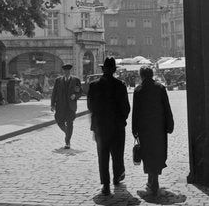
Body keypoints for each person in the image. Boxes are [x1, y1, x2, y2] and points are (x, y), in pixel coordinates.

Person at [87, 57, 131, 196]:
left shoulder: (94, 85)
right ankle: (117, 176)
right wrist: (121, 119)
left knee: (103, 155)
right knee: (117, 154)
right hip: (117, 126)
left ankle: (105, 185)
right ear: (114, 70)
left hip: (100, 127)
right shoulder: (120, 85)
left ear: (103, 69)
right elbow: (126, 107)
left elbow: (90, 106)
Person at [132, 66, 174, 195]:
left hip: (145, 129)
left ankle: (151, 180)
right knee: (158, 151)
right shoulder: (160, 88)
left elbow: (136, 112)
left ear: (141, 76)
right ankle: (154, 179)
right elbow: (166, 107)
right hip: (159, 127)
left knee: (147, 152)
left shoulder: (138, 90)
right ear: (152, 74)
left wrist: (134, 128)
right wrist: (170, 124)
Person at [51, 63, 82, 149]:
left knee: (70, 123)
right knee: (58, 120)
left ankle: (67, 142)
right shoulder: (58, 80)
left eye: (68, 71)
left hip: (70, 107)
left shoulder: (76, 80)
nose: (67, 72)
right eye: (65, 71)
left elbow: (80, 92)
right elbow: (54, 93)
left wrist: (75, 96)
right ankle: (67, 132)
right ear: (63, 71)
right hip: (60, 106)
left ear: (70, 71)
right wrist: (52, 104)